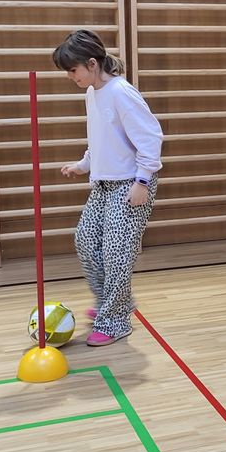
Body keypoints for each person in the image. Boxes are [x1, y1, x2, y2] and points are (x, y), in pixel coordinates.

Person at [52, 29, 163, 346]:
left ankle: (116, 322)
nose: (70, 76)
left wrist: (142, 181)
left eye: (72, 70)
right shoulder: (93, 93)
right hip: (103, 183)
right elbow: (103, 138)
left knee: (117, 254)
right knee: (85, 241)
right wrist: (84, 164)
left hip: (132, 184)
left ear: (90, 63)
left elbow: (150, 139)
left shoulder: (121, 92)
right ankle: (111, 304)